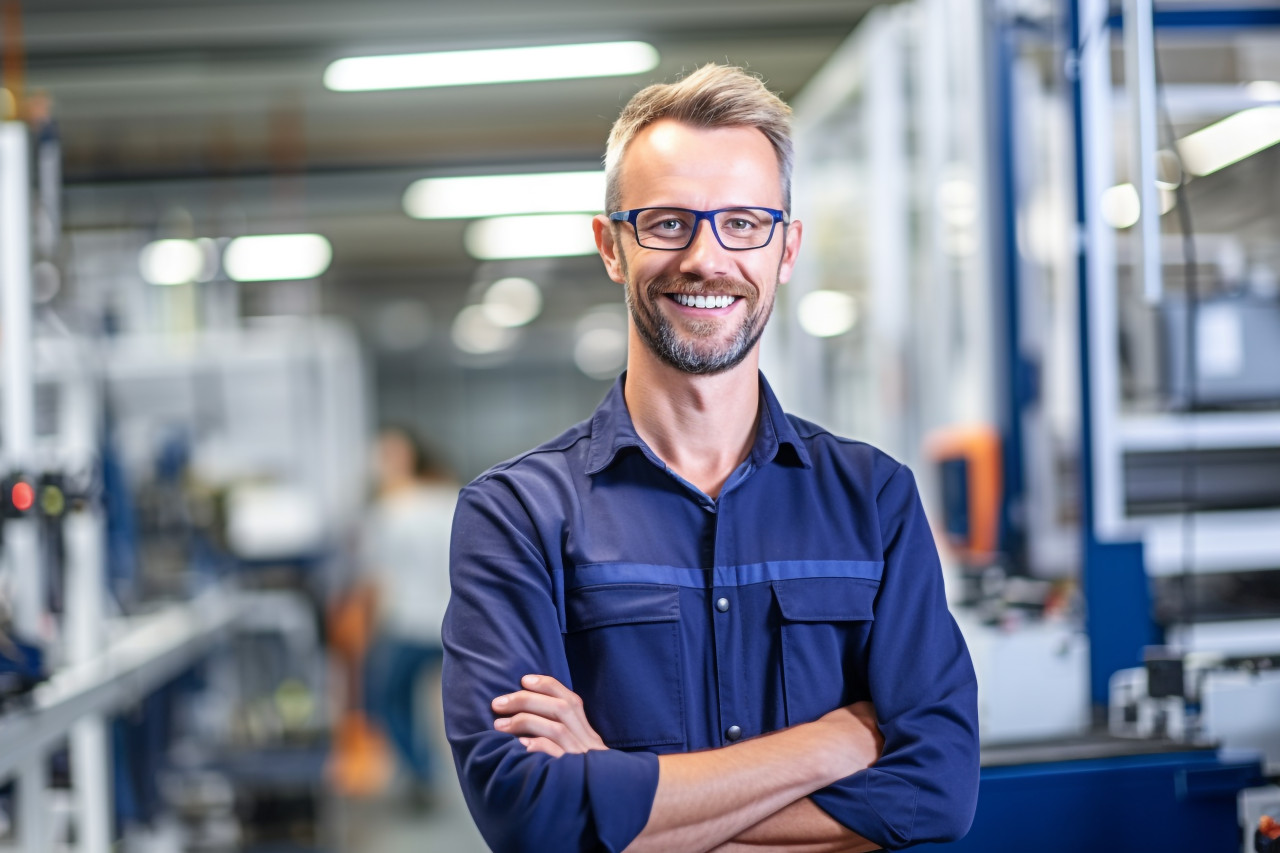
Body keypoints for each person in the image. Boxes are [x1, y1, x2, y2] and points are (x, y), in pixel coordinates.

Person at [442, 64, 979, 852]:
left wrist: (622, 799)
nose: (705, 257)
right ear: (611, 247)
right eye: (666, 222)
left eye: (743, 223)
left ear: (786, 248)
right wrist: (832, 742)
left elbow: (937, 790)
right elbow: (530, 813)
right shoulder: (519, 515)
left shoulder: (873, 500)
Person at [358, 425, 458, 802]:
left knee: (387, 702)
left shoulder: (389, 510)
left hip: (405, 625)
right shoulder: (454, 498)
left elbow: (374, 581)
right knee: (468, 704)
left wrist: (366, 633)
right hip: (452, 624)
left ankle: (421, 770)